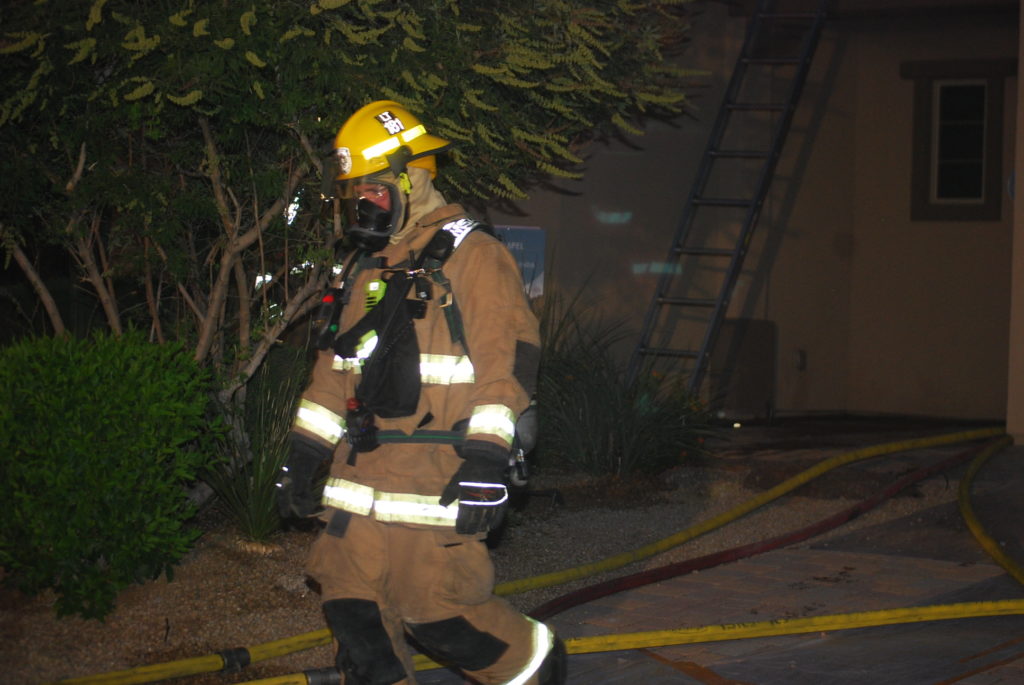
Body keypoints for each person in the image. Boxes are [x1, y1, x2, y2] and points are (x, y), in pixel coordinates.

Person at [277, 100, 566, 685]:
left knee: (439, 615)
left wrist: (486, 460)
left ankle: (536, 666)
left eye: (375, 191)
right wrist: (304, 455)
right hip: (357, 483)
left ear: (413, 178)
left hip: (435, 479)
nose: (363, 205)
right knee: (353, 617)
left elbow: (506, 368)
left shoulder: (475, 257)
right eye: (355, 194)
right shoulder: (365, 267)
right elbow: (335, 371)